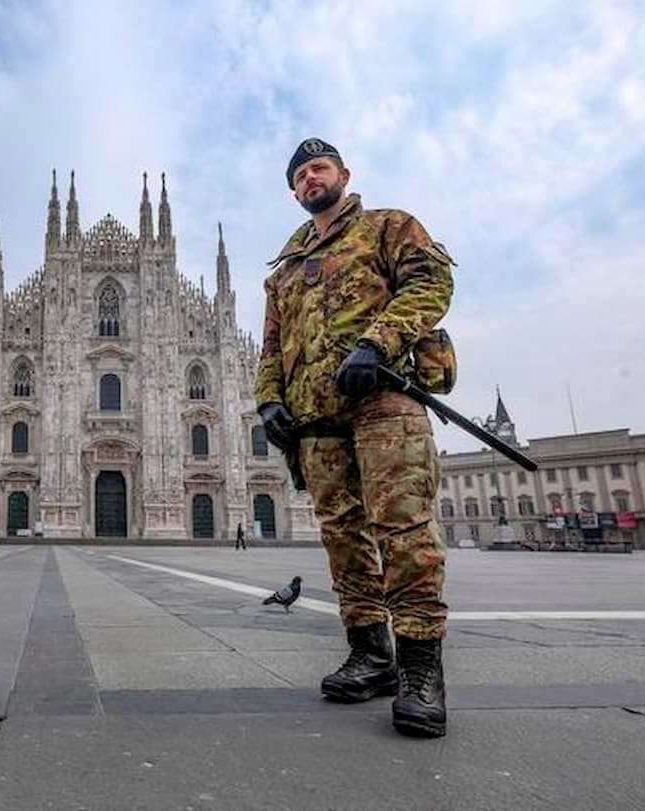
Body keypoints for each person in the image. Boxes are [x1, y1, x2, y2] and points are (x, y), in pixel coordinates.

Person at [255, 137, 455, 738]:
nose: (310, 179)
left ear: (343, 173)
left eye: (318, 168)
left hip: (383, 405)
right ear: (293, 190)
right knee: (343, 540)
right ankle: (371, 655)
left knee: (403, 531)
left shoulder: (388, 227)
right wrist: (268, 399)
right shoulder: (285, 270)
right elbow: (271, 345)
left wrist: (380, 342)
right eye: (299, 175)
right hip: (316, 423)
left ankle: (421, 672)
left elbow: (430, 287)